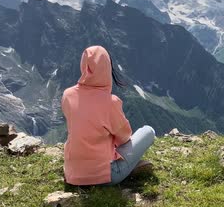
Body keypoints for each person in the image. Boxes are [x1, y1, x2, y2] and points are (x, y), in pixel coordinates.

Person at [61, 45, 155, 186]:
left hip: (72, 174)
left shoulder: (67, 95)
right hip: (105, 175)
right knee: (148, 131)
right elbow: (124, 138)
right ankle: (129, 168)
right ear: (107, 68)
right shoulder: (111, 102)